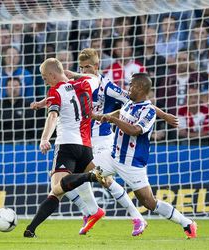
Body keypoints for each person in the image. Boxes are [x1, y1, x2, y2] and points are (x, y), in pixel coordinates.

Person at [31, 48, 178, 236]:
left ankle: (134, 216)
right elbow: (59, 93)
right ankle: (92, 212)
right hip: (83, 139)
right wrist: (42, 103)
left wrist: (163, 115)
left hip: (103, 139)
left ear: (97, 66)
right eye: (81, 68)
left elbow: (138, 102)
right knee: (66, 179)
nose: (84, 71)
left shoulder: (108, 86)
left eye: (88, 67)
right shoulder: (80, 82)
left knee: (94, 177)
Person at [97, 73, 197, 239]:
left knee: (149, 203)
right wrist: (100, 116)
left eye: (131, 86)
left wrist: (113, 121)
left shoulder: (148, 112)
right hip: (113, 157)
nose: (128, 89)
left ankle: (187, 223)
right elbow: (121, 112)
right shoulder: (130, 102)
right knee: (85, 168)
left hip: (132, 164)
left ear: (141, 88)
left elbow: (135, 130)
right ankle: (91, 210)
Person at [24, 58, 100, 238]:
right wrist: (41, 103)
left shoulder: (55, 91)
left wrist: (44, 139)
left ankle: (89, 179)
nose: (45, 81)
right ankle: (30, 230)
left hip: (66, 144)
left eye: (45, 77)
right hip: (85, 146)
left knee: (57, 189)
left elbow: (52, 117)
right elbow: (94, 77)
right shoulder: (85, 83)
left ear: (52, 74)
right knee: (58, 188)